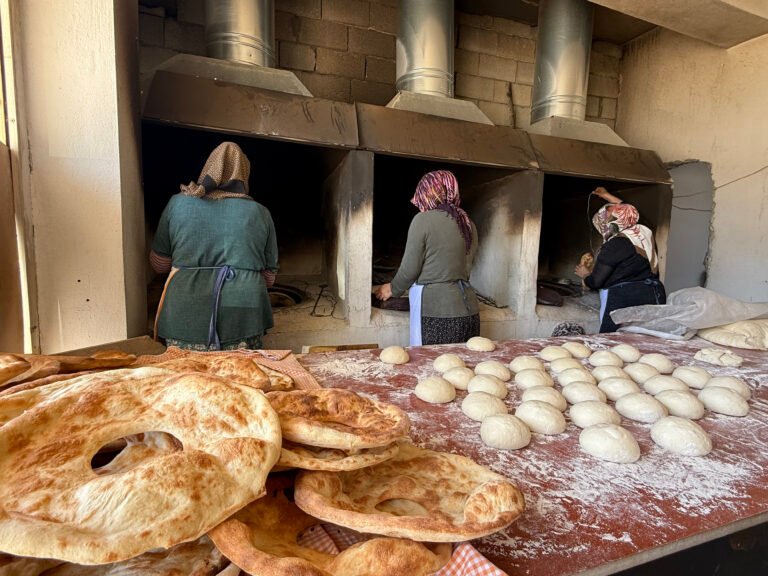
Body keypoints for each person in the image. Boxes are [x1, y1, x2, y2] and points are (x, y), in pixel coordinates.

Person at [149, 141, 278, 350]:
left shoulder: (177, 203)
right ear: (244, 175)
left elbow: (159, 265)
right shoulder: (260, 212)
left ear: (209, 168)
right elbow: (269, 278)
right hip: (244, 316)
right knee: (241, 371)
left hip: (184, 314)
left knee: (184, 371)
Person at [373, 170, 480, 345]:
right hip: (470, 313)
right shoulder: (468, 223)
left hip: (437, 313)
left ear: (428, 193)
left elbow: (410, 268)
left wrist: (392, 288)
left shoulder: (422, 220)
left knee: (430, 361)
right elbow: (466, 270)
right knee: (463, 360)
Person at [574, 186, 666, 333]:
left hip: (625, 296)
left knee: (612, 340)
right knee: (646, 338)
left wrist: (585, 274)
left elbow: (596, 282)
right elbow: (629, 211)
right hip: (654, 292)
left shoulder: (614, 245)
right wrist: (606, 195)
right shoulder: (643, 231)